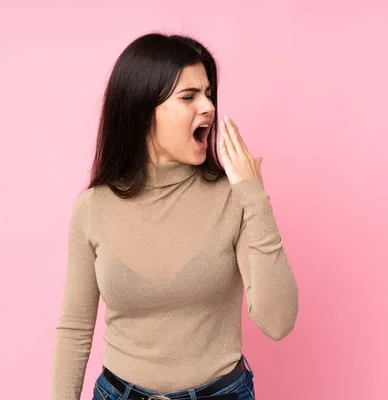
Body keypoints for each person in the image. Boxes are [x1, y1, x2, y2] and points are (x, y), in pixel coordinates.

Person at [51, 32, 299, 400]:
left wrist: (254, 197)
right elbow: (75, 328)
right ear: (142, 111)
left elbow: (278, 321)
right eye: (189, 97)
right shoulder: (92, 209)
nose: (209, 107)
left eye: (209, 94)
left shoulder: (233, 198)